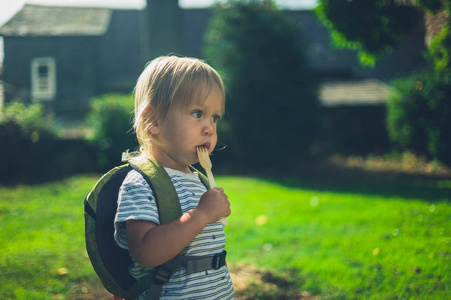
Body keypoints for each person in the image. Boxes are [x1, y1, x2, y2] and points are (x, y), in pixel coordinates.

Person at [114, 56, 234, 299]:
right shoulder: (142, 183)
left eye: (214, 117)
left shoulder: (198, 179)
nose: (209, 128)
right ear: (154, 121)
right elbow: (146, 253)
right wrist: (200, 215)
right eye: (197, 113)